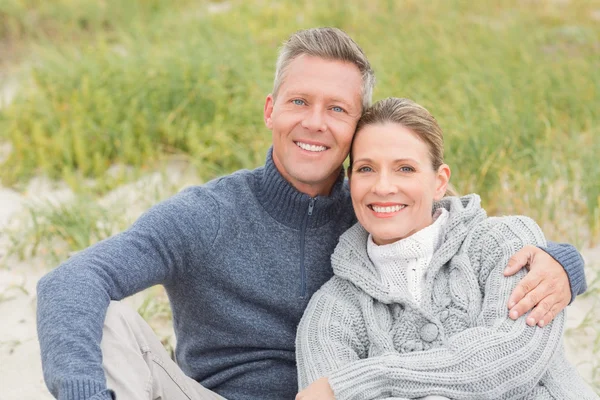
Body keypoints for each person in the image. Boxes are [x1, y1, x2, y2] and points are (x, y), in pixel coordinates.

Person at [36, 28, 587, 400]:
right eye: (299, 102)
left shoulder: (373, 210)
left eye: (338, 110)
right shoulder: (207, 215)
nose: (316, 123)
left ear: (355, 129)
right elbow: (72, 281)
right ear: (271, 110)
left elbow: (450, 226)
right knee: (105, 316)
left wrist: (562, 262)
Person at [295, 97, 597, 400]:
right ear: (351, 181)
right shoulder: (331, 311)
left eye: (405, 168)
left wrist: (366, 379)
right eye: (366, 169)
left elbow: (513, 358)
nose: (383, 186)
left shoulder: (505, 242)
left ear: (439, 182)